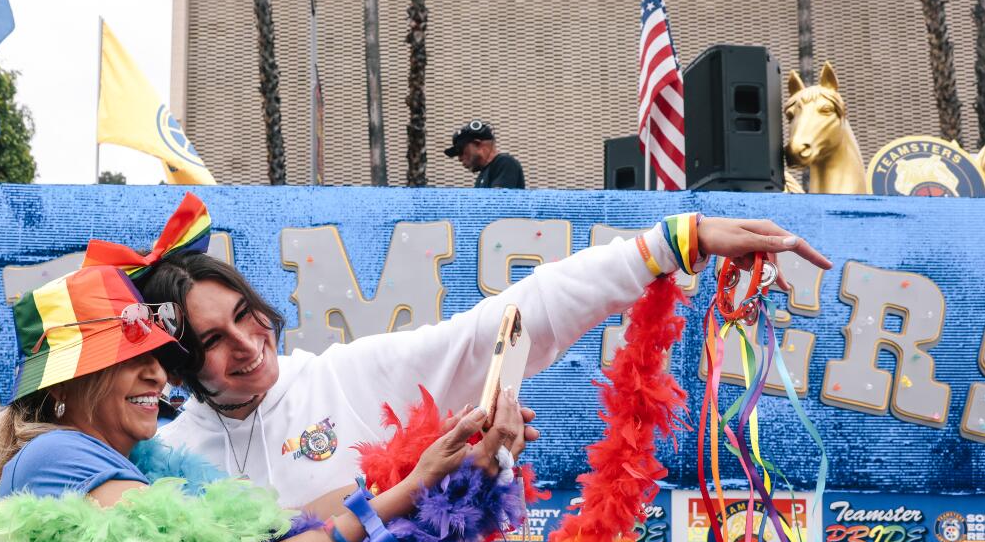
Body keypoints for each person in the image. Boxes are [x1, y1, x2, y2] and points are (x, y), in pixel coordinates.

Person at [103, 196, 830, 511]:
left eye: (245, 316)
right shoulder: (164, 454)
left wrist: (675, 241)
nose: (247, 344)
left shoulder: (348, 377)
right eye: (212, 342)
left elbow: (514, 319)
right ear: (179, 366)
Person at [0, 262, 529, 542]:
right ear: (65, 390)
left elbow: (281, 526)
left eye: (158, 358)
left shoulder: (143, 464)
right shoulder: (57, 460)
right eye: (126, 362)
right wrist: (414, 488)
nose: (157, 377)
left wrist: (450, 470)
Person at [444, 119, 526, 189]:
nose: (459, 158)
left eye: (460, 150)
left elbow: (497, 205)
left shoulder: (504, 163)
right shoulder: (484, 173)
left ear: (477, 143)